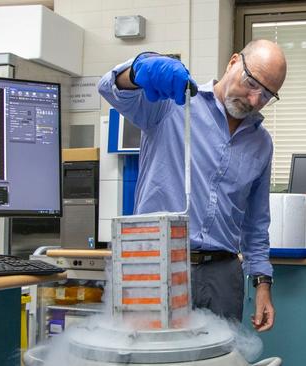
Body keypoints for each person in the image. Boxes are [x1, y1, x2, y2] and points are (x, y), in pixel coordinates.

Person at [98, 40, 287, 332]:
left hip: (222, 275)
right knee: (152, 358)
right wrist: (139, 68)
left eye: (266, 95)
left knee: (220, 359)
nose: (253, 99)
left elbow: (256, 224)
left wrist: (263, 282)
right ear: (233, 61)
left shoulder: (261, 143)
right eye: (251, 83)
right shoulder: (172, 104)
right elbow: (110, 88)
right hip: (155, 264)